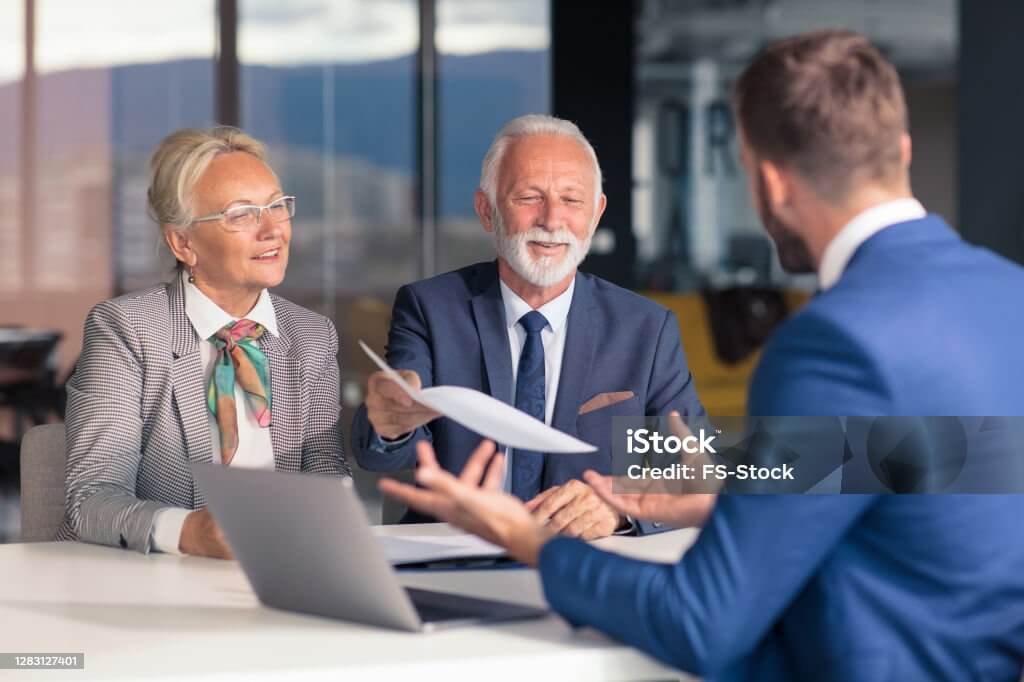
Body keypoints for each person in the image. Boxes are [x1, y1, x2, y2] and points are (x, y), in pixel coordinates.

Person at [380, 31, 1024, 680]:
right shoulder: (1010, 296)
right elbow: (943, 466)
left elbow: (700, 623)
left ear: (769, 183)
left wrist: (527, 541)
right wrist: (727, 492)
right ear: (903, 150)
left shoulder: (833, 341)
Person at [351, 114, 707, 538]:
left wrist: (621, 506)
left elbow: (698, 472)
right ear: (487, 210)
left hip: (588, 565)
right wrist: (391, 424)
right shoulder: (430, 308)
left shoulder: (647, 329)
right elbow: (385, 455)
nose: (552, 220)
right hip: (457, 556)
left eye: (572, 200)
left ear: (596, 214)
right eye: (529, 197)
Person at [56, 127, 351, 558]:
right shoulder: (126, 329)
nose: (271, 229)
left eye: (276, 206)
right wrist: (192, 532)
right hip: (148, 580)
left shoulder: (311, 336)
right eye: (241, 214)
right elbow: (92, 499)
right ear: (183, 242)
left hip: (284, 570)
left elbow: (325, 471)